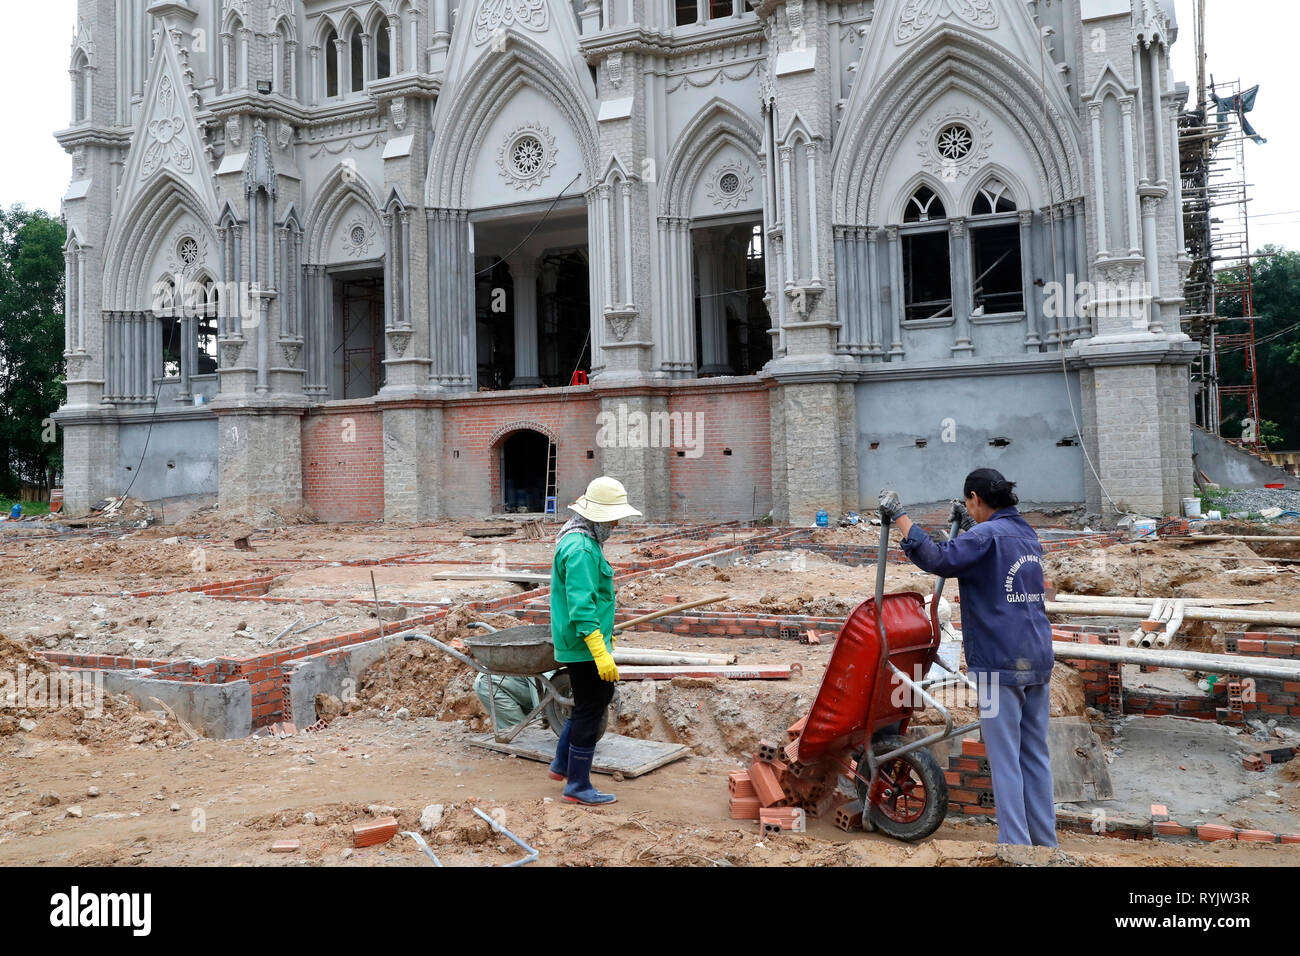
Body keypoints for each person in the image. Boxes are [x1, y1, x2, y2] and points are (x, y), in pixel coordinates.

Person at [878, 468, 1057, 847]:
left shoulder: (985, 535)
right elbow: (967, 556)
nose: (970, 513)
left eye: (970, 506)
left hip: (999, 662)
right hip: (1037, 657)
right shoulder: (1025, 532)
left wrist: (900, 516)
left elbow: (939, 559)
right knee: (1035, 757)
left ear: (975, 498)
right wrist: (962, 526)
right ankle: (1046, 845)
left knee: (1006, 760)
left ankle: (1016, 848)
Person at [547, 475, 641, 806]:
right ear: (598, 516)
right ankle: (578, 785)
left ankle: (561, 764)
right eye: (613, 518)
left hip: (585, 640)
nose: (616, 524)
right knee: (593, 705)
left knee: (592, 700)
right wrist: (601, 652)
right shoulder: (581, 549)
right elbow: (581, 607)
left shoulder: (583, 540)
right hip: (584, 642)